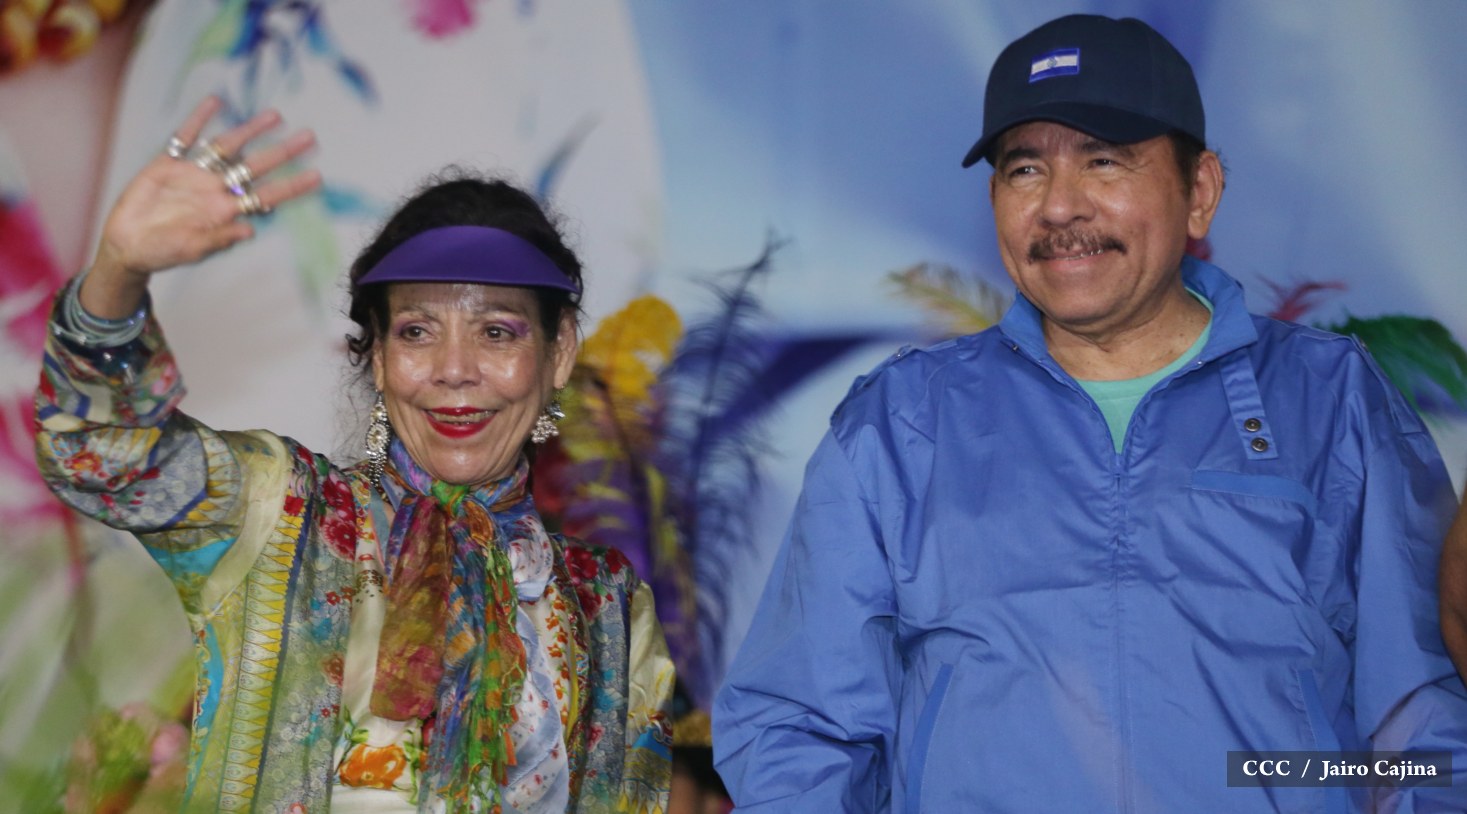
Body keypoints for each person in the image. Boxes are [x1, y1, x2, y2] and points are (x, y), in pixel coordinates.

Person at [713, 14, 1466, 813]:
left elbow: (1424, 727)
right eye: (1024, 169)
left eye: (1103, 160)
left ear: (1199, 191)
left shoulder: (1329, 397)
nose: (1059, 207)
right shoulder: (902, 422)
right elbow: (799, 729)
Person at [35, 97, 673, 813]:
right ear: (377, 358)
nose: (453, 369)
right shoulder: (284, 517)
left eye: (497, 332)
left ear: (559, 352)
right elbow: (102, 454)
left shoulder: (607, 606)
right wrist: (117, 273)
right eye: (416, 332)